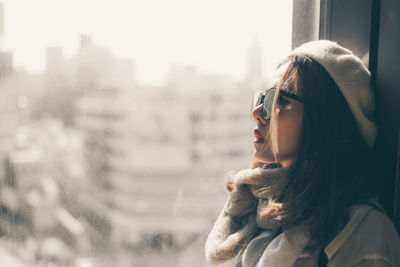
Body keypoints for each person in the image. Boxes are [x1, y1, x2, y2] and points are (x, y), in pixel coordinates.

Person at [205, 40, 400, 267]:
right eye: (262, 98)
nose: (257, 112)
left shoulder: (364, 234)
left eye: (279, 100)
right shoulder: (260, 212)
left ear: (326, 121)